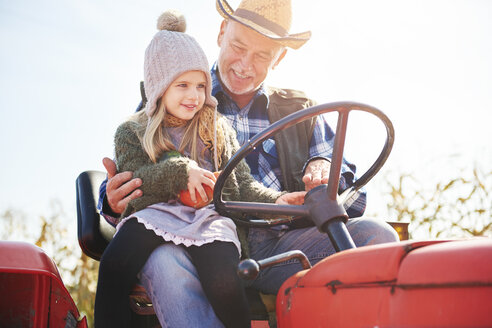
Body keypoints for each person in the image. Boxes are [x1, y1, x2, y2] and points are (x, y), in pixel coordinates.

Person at [98, 0, 400, 326]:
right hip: (196, 239)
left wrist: (327, 171)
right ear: (221, 32)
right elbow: (133, 170)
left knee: (376, 237)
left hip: (281, 245)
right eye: (238, 46)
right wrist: (112, 202)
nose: (245, 64)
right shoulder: (177, 92)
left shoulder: (302, 110)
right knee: (166, 261)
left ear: (279, 57)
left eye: (261, 55)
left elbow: (352, 199)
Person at [94, 10, 305, 328]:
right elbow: (136, 177)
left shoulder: (217, 128)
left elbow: (242, 184)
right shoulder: (135, 131)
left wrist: (276, 201)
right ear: (159, 87)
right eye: (182, 85)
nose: (193, 96)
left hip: (209, 219)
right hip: (156, 215)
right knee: (114, 264)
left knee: (224, 280)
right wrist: (182, 172)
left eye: (200, 86)